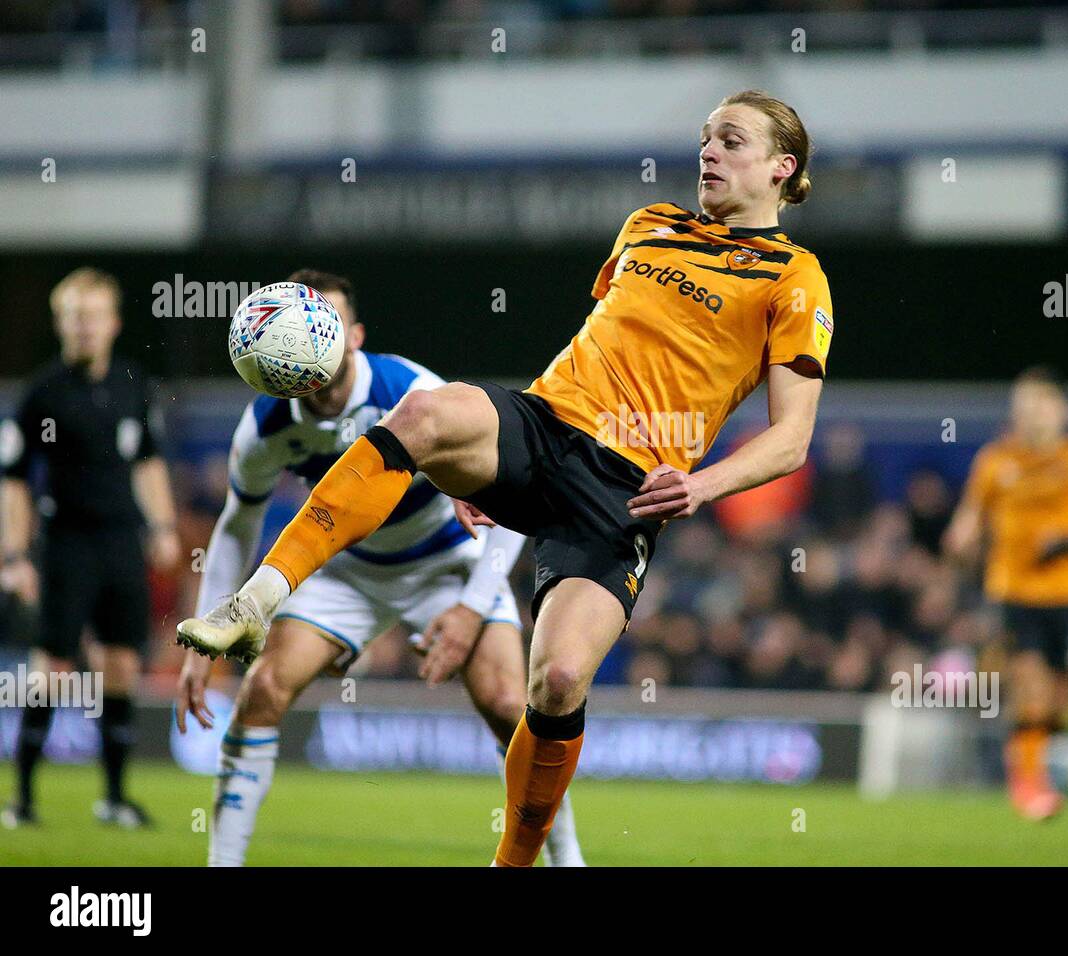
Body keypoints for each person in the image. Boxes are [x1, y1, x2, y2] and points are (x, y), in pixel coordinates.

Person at [179, 89, 834, 867]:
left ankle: (514, 865)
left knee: (555, 682)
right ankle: (256, 599)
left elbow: (792, 439)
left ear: (781, 167)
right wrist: (478, 461)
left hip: (624, 488)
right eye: (705, 139)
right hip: (545, 423)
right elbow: (592, 348)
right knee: (422, 418)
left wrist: (702, 486)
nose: (710, 152)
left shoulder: (796, 278)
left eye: (730, 141)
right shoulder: (648, 226)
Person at [175, 269, 584, 866]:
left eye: (328, 324)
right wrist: (202, 638)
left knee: (507, 704)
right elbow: (236, 524)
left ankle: (567, 859)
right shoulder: (266, 424)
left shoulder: (411, 390)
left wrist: (472, 609)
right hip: (350, 572)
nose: (315, 336)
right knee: (262, 689)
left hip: (447, 562)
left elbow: (513, 501)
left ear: (354, 335)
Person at [1, 267, 181, 829]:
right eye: (74, 317)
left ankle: (115, 797)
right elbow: (12, 480)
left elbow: (147, 462)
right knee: (52, 667)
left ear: (113, 322)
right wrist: (14, 556)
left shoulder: (133, 382)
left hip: (121, 541)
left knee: (121, 666)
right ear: (61, 324)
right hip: (64, 543)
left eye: (93, 316)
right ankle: (23, 800)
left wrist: (164, 525)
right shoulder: (40, 394)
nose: (84, 327)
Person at [944, 367, 1068, 819]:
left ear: (1062, 410)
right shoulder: (995, 461)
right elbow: (967, 520)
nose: (1030, 413)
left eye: (1040, 403)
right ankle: (1029, 787)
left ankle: (1037, 768)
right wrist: (958, 543)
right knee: (1030, 687)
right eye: (1022, 404)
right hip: (1015, 594)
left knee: (1060, 703)